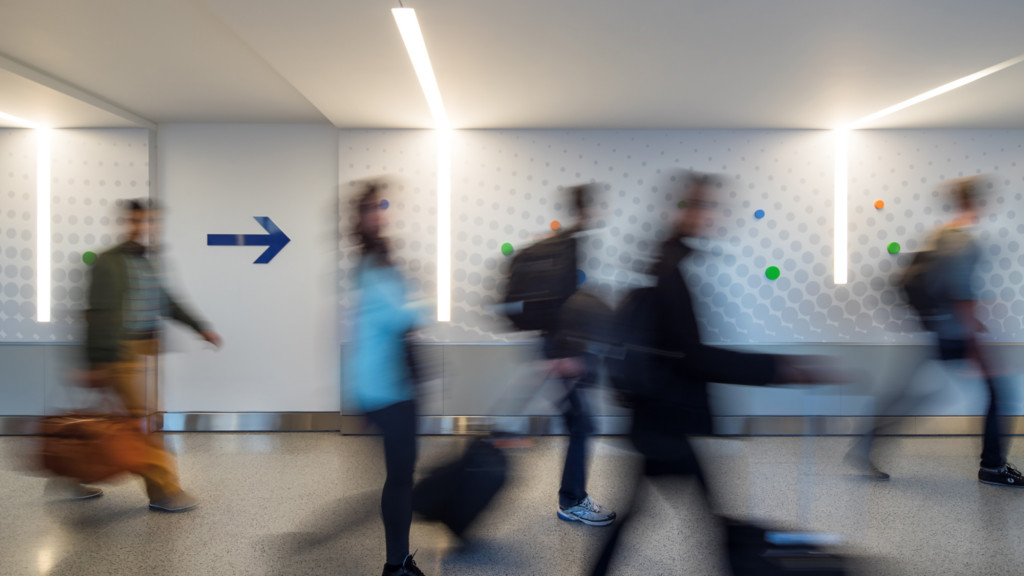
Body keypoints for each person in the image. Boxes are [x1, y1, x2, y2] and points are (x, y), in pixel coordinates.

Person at [590, 172, 826, 575]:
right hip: (665, 419)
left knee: (677, 513)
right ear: (679, 211)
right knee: (709, 516)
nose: (710, 215)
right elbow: (693, 357)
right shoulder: (670, 271)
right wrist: (779, 367)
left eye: (712, 206)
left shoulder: (664, 262)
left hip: (656, 417)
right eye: (700, 206)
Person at [849, 177, 1021, 485]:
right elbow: (960, 294)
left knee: (915, 394)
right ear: (976, 202)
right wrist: (974, 342)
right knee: (998, 391)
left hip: (931, 328)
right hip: (951, 332)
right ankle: (993, 467)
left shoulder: (941, 235)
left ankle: (865, 445)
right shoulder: (965, 243)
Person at [84, 198, 221, 512]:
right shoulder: (107, 262)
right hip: (120, 352)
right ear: (125, 223)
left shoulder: (150, 261)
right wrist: (94, 363)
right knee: (143, 423)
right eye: (135, 221)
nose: (141, 228)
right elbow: (95, 314)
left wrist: (200, 328)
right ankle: (164, 491)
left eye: (147, 222)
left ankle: (71, 473)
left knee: (121, 420)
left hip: (148, 350)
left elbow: (168, 302)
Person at [345, 182, 427, 576]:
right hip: (387, 389)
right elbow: (401, 315)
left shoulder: (375, 258)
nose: (379, 214)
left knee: (400, 476)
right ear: (359, 217)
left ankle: (398, 557)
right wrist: (420, 295)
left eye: (382, 207)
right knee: (399, 479)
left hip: (389, 385)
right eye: (371, 208)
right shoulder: (372, 265)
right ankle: (396, 565)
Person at [544, 184, 616, 527]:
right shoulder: (568, 247)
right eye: (594, 206)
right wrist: (565, 357)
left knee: (581, 424)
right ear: (584, 209)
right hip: (564, 355)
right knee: (582, 424)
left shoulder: (569, 244)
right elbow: (563, 307)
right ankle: (571, 501)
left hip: (562, 353)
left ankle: (573, 497)